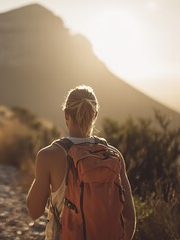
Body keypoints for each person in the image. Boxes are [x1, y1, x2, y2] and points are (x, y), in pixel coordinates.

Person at [26, 85, 136, 240]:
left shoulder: (49, 155)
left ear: (66, 115)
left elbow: (34, 211)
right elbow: (129, 218)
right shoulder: (113, 155)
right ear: (95, 115)